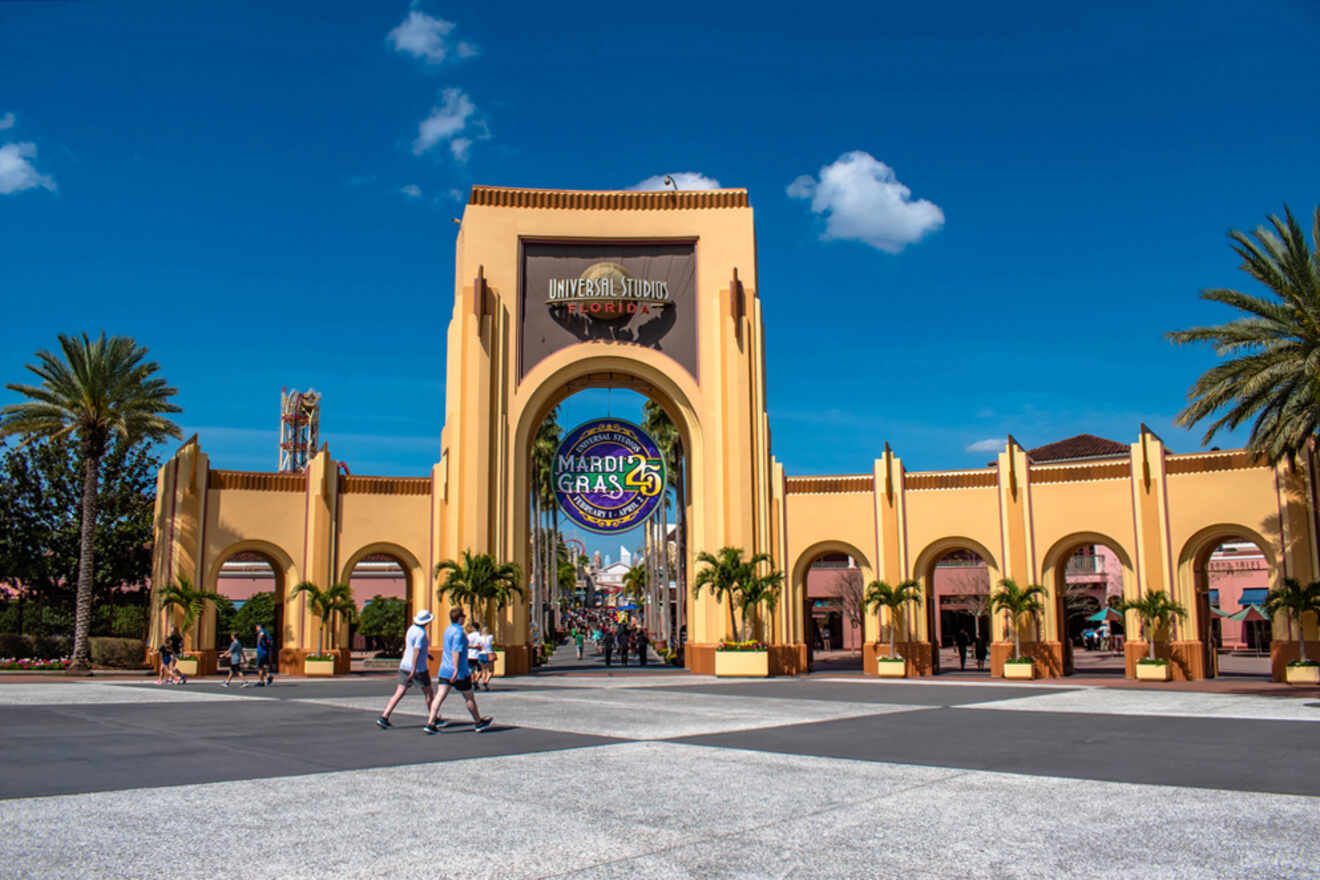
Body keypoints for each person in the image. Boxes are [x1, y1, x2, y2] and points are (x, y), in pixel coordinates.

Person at [423, 607, 492, 734]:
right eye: (463, 616)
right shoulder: (459, 632)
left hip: (444, 669)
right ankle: (478, 722)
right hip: (459, 671)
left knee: (439, 697)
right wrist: (456, 669)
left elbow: (456, 646)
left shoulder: (448, 630)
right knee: (469, 697)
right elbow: (456, 651)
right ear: (459, 618)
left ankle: (430, 722)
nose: (465, 618)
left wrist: (472, 647)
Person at [377, 610, 437, 730]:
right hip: (418, 668)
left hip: (405, 665)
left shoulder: (411, 629)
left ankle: (385, 716)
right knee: (429, 693)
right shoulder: (421, 633)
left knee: (399, 692)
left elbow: (411, 647)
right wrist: (414, 669)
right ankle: (433, 718)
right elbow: (416, 650)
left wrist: (427, 655)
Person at [476, 624, 495, 691]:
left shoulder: (479, 638)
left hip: (481, 654)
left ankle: (484, 682)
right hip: (489, 654)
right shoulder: (490, 637)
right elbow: (493, 643)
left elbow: (478, 645)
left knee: (483, 670)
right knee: (491, 671)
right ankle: (486, 682)